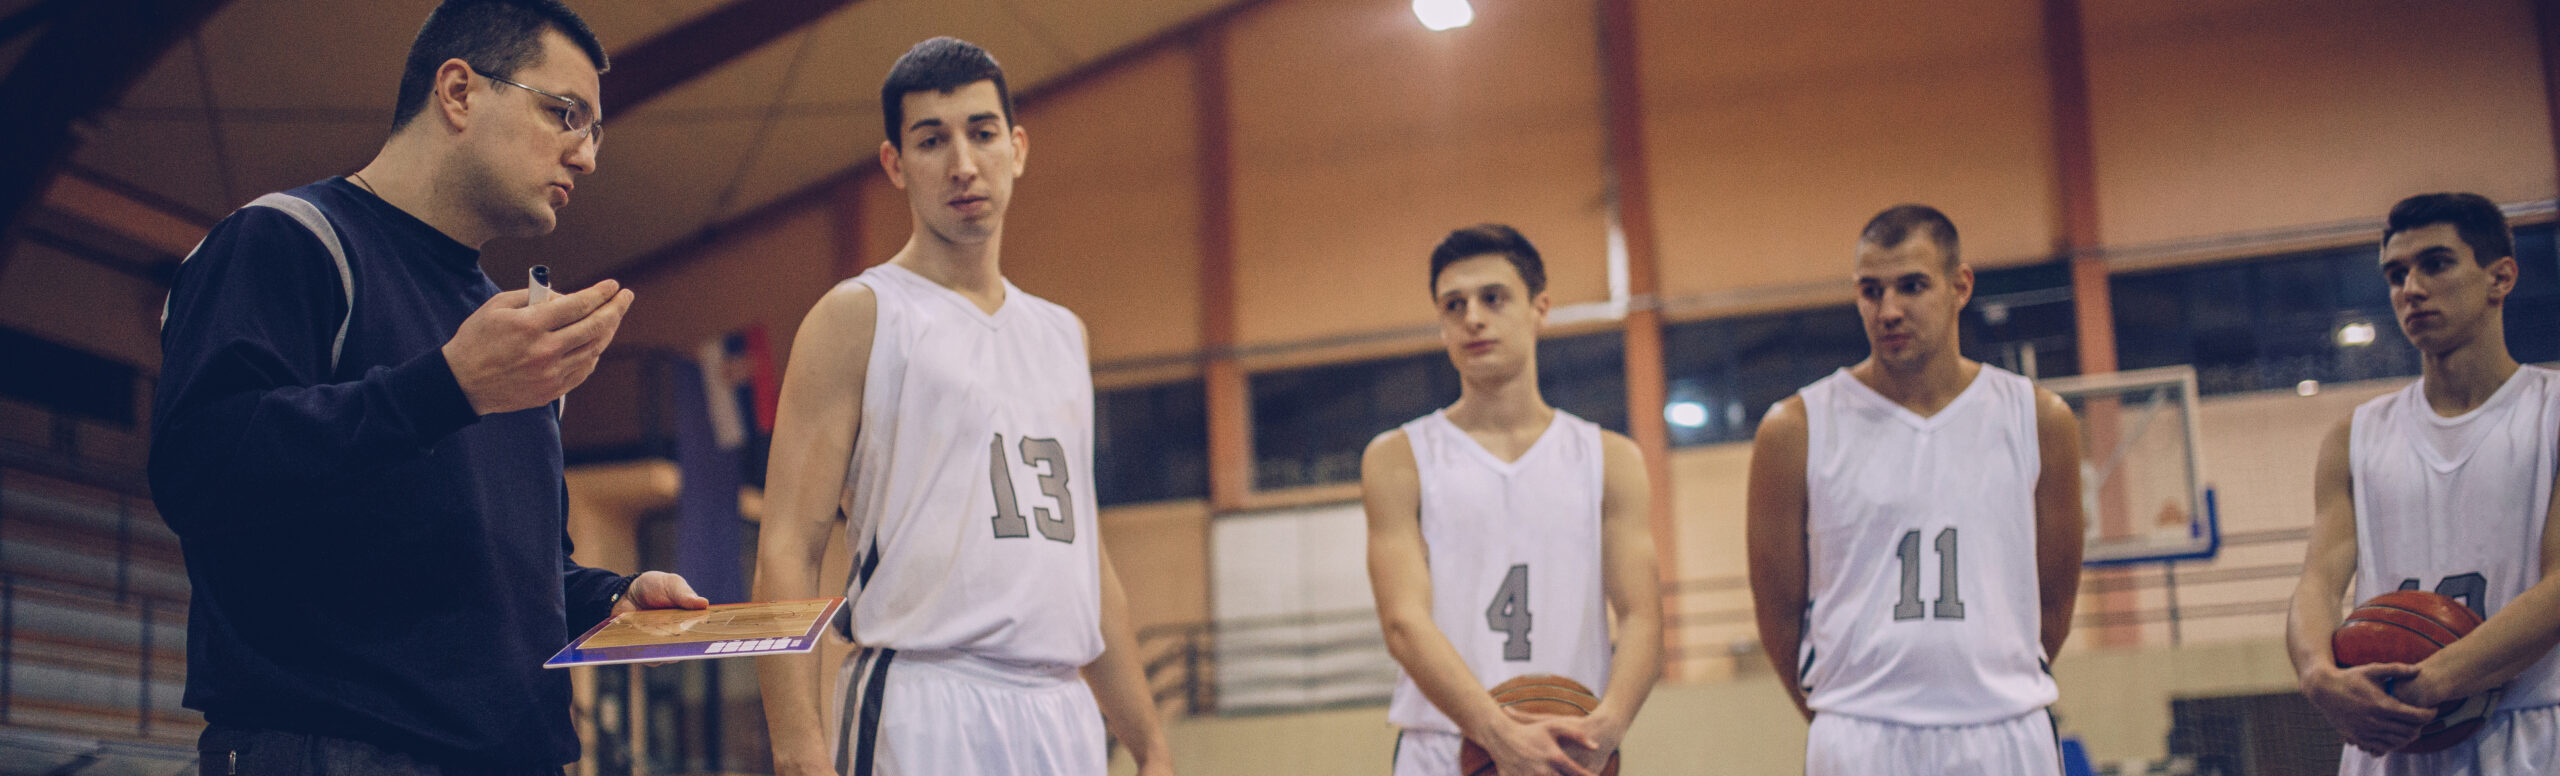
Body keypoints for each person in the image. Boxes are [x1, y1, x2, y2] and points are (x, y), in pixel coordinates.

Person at [149, 1, 705, 773]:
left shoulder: (505, 330)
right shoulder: (290, 239)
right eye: (566, 114)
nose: (587, 156)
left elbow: (513, 567)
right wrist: (448, 385)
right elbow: (199, 468)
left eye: (595, 131)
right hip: (337, 747)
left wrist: (610, 597)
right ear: (458, 91)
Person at [750, 37, 1173, 776]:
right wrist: (797, 748)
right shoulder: (860, 314)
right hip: (920, 698)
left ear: (1017, 147)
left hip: (1060, 710)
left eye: (980, 133)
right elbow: (788, 544)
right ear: (894, 164)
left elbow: (1084, 561)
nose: (962, 164)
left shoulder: (1063, 334)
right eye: (931, 140)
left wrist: (1149, 741)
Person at [1745, 204, 2085, 775]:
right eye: (1870, 291)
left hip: (2004, 730)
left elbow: (2054, 602)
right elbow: (1778, 615)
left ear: (1961, 286)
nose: (1889, 310)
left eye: (1912, 286)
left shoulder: (2039, 419)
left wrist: (1984, 690)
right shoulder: (1796, 428)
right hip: (1859, 734)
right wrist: (1849, 714)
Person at [1362, 224, 1664, 776]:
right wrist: (1497, 733)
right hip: (1443, 744)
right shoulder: (1397, 457)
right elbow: (1403, 622)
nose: (1472, 317)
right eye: (1454, 305)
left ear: (1540, 308)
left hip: (1569, 744)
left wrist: (1610, 723)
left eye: (1493, 298)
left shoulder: (1611, 458)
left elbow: (1643, 616)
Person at [2285, 192, 2560, 775]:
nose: (2411, 288)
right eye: (2396, 273)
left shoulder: (2552, 412)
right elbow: (2318, 580)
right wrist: (2319, 676)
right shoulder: (2352, 436)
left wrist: (2430, 680)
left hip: (2526, 732)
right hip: (2388, 742)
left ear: (2501, 277)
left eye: (2435, 264)